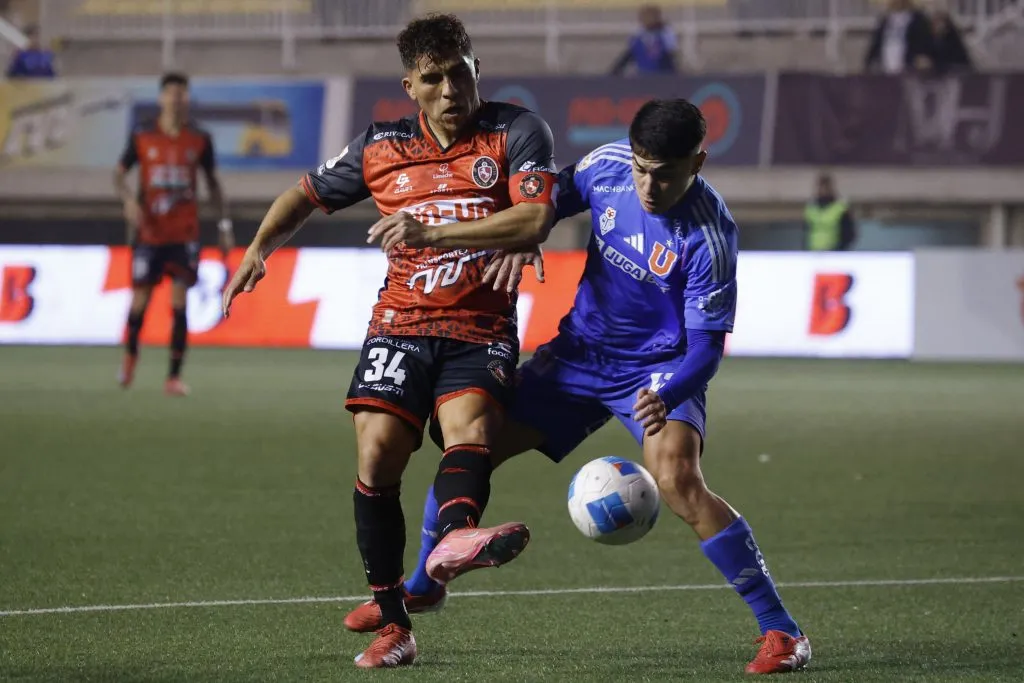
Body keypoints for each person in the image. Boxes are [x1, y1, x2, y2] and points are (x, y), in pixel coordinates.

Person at [347, 99, 813, 675]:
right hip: (579, 355)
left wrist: (668, 395)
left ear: (698, 162)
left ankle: (782, 631)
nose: (648, 186)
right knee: (472, 446)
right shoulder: (607, 166)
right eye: (642, 169)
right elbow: (543, 204)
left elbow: (706, 351)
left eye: (665, 174)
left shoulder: (710, 236)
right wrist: (524, 235)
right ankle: (424, 584)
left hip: (656, 371)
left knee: (678, 480)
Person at [221, 13, 558, 669]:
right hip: (401, 323)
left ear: (477, 70)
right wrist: (260, 246)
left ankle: (454, 538)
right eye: (433, 79)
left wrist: (435, 233)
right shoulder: (380, 148)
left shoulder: (517, 131)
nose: (450, 90)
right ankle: (396, 623)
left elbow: (536, 216)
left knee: (471, 430)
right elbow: (305, 193)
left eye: (459, 73)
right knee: (377, 455)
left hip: (479, 324)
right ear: (411, 86)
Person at [114, 72, 233, 396]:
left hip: (184, 234)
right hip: (149, 233)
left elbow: (213, 184)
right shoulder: (142, 135)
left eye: (181, 94)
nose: (176, 100)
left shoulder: (199, 138)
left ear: (187, 99)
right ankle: (130, 356)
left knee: (179, 304)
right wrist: (128, 201)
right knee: (139, 302)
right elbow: (119, 174)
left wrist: (224, 226)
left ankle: (173, 377)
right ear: (161, 98)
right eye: (171, 94)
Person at [864, 0, 933, 74]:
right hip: (885, 69)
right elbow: (876, 43)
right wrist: (870, 62)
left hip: (908, 69)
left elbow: (925, 42)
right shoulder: (886, 20)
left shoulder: (918, 19)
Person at [610, 4, 678, 76]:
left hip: (662, 75)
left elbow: (671, 56)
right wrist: (614, 72)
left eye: (650, 17)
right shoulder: (638, 34)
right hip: (643, 75)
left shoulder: (665, 33)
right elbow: (628, 55)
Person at [804, 172, 856, 252]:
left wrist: (840, 250)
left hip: (834, 253)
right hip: (813, 252)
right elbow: (806, 231)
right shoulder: (811, 209)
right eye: (820, 187)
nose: (823, 190)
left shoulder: (840, 208)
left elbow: (849, 234)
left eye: (826, 188)